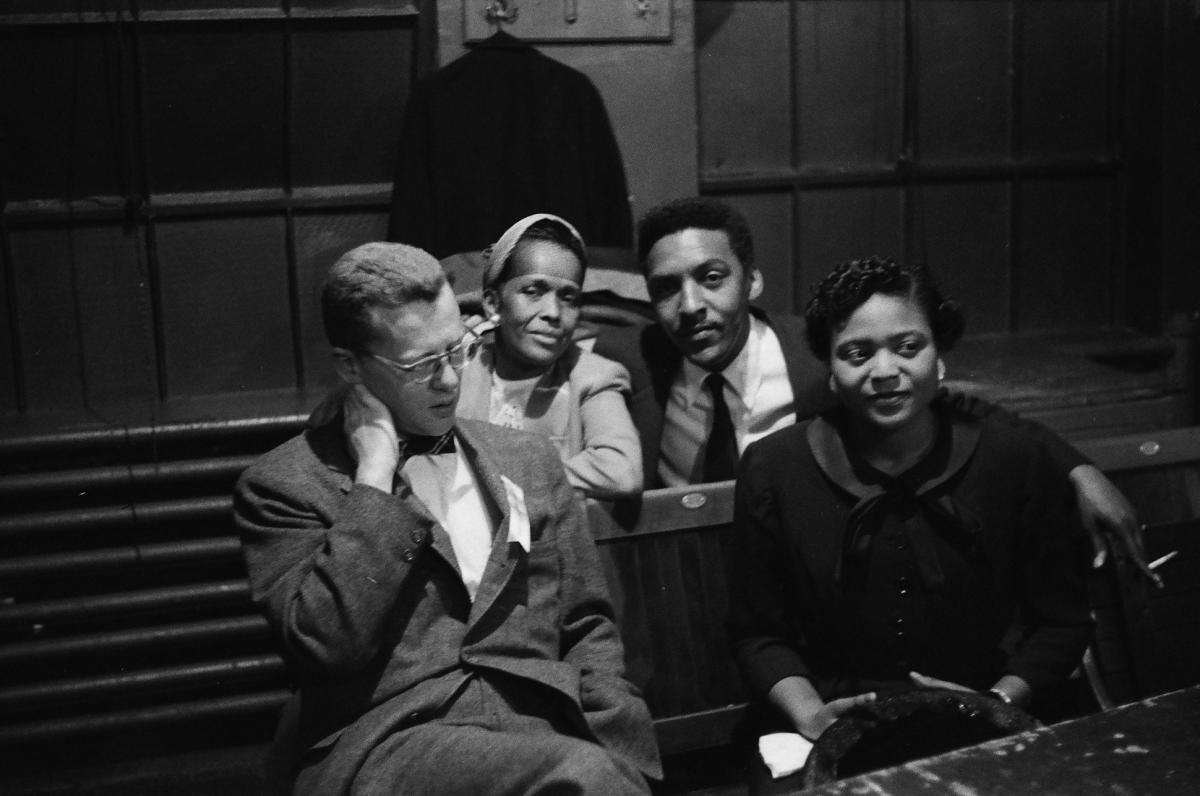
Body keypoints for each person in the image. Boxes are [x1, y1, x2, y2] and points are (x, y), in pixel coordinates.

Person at [234, 242, 660, 795]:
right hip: (395, 743)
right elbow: (329, 647)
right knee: (578, 777)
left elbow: (586, 623)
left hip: (545, 727)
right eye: (419, 365)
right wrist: (375, 479)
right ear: (350, 367)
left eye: (457, 350)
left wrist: (611, 721)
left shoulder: (526, 459)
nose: (448, 379)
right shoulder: (284, 485)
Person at [592, 196, 1158, 582]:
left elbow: (961, 408)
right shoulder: (630, 358)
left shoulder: (819, 360)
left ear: (752, 280)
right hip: (676, 572)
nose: (690, 307)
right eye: (667, 288)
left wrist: (1078, 470)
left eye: (711, 279)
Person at [728, 256, 1094, 778]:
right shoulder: (774, 469)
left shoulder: (1012, 458)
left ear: (938, 354)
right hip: (828, 719)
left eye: (907, 347)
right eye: (857, 353)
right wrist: (812, 715)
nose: (884, 372)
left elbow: (1061, 621)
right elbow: (755, 633)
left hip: (984, 707)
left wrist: (993, 702)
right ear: (830, 370)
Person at [457, 213, 643, 498]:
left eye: (568, 298)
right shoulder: (461, 367)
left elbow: (621, 471)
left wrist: (502, 478)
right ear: (494, 303)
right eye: (533, 292)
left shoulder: (593, 377)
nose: (553, 313)